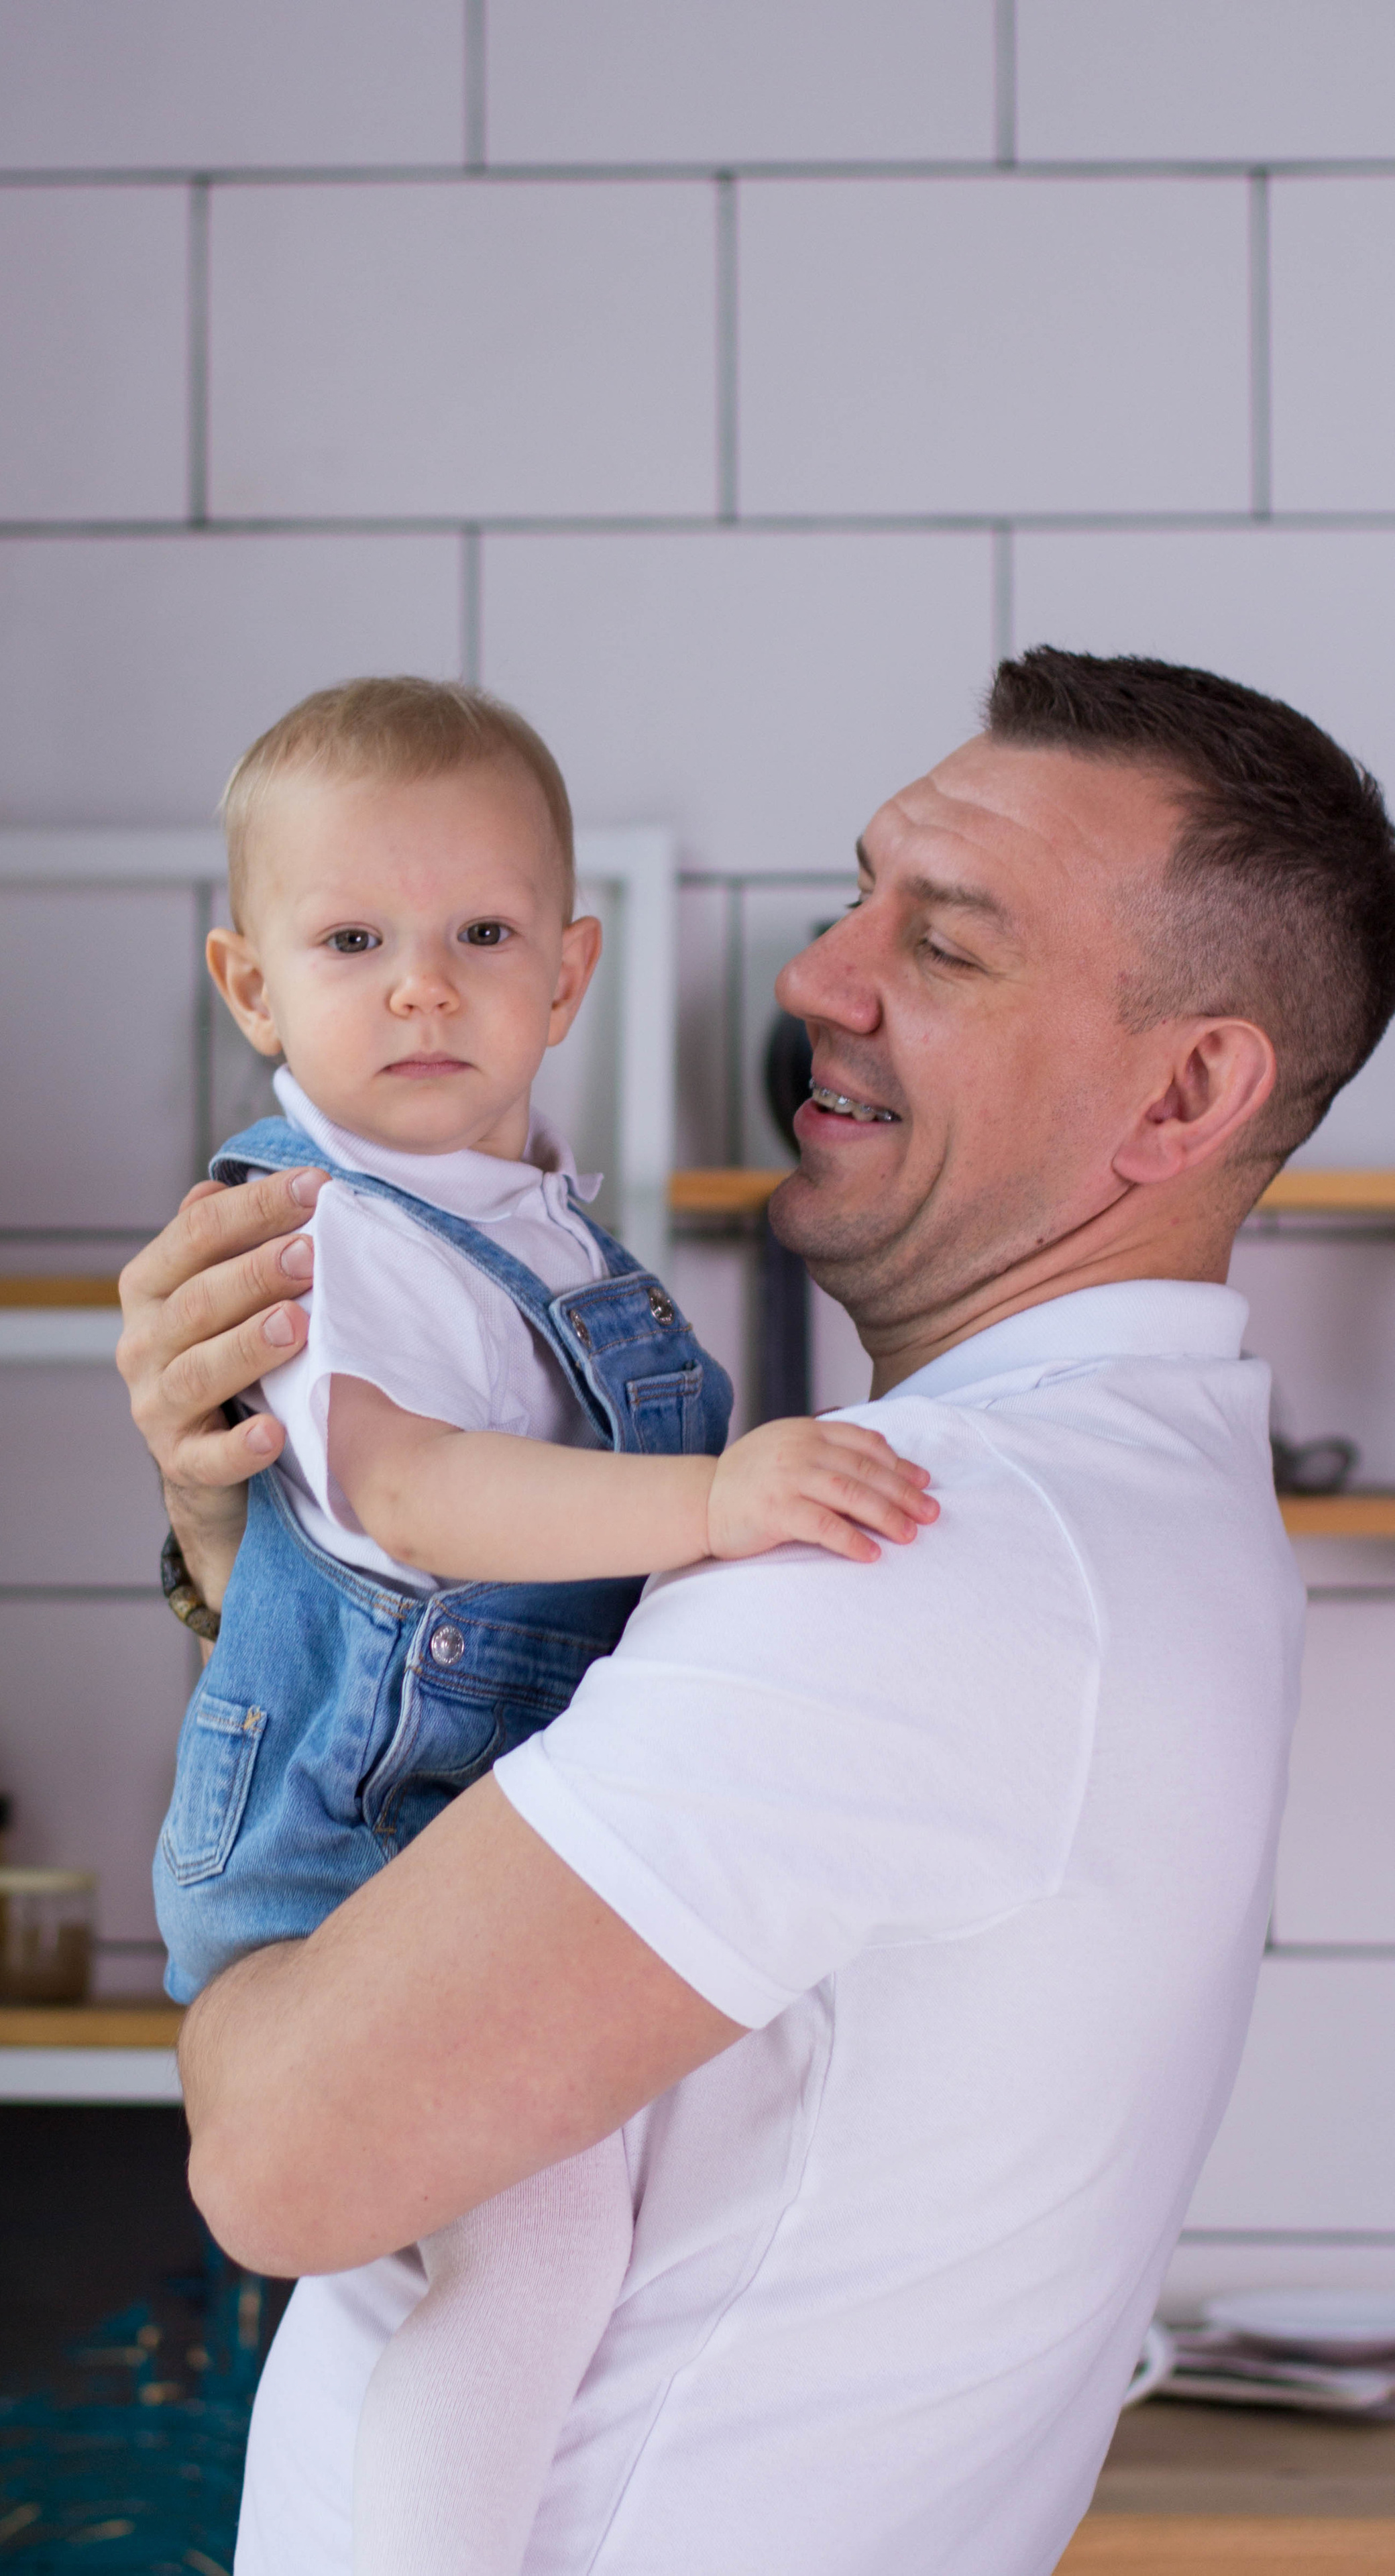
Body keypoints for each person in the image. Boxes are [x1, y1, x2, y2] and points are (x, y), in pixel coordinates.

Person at [119, 649, 1395, 2575]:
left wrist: (249, 1989)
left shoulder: (918, 1558)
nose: (819, 977)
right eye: (855, 895)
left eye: (946, 947)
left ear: (1187, 1089)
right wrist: (249, 1550)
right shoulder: (1136, 1494)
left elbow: (288, 2155)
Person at [155, 676, 934, 2576]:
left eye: (480, 935)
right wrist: (714, 1501)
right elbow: (412, 1494)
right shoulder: (316, 1230)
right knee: (552, 2241)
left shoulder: (528, 1222)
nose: (422, 986)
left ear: (568, 972)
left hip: (464, 1817)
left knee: (599, 2219)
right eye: (353, 942)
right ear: (251, 989)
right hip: (348, 1849)